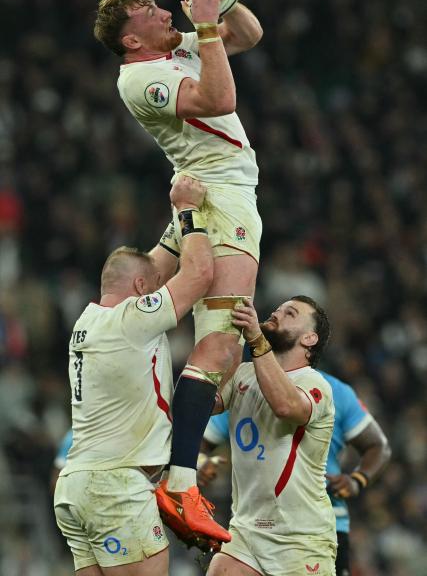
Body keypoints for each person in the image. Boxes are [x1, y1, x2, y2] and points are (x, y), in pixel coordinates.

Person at [93, 0, 263, 532]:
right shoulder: (141, 78)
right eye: (146, 8)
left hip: (205, 193)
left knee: (193, 339)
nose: (163, 9)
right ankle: (181, 485)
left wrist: (221, 2)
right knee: (218, 348)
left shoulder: (172, 46)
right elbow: (220, 96)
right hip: (221, 200)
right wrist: (208, 27)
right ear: (130, 39)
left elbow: (249, 36)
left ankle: (149, 411)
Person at [53, 176, 227, 576]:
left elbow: (152, 269)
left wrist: (176, 208)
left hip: (77, 487)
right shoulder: (131, 321)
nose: (161, 290)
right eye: (154, 288)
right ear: (140, 288)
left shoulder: (90, 320)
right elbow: (198, 275)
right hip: (116, 488)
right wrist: (189, 211)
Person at [200, 375, 391, 576]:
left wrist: (357, 480)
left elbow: (378, 446)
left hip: (318, 528)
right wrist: (199, 460)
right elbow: (202, 441)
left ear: (310, 341)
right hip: (255, 525)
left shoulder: (336, 392)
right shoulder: (246, 385)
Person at [204, 295, 337, 576]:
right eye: (277, 308)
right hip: (246, 531)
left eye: (290, 313)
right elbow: (203, 403)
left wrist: (255, 341)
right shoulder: (244, 373)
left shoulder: (314, 384)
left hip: (299, 538)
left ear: (309, 339)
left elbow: (286, 406)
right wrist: (218, 336)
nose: (277, 313)